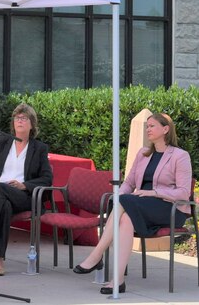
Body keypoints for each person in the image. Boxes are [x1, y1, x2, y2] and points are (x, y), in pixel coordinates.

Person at [73, 113, 193, 294]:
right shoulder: (143, 154)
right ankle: (118, 281)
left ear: (166, 129)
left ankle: (97, 255)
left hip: (169, 208)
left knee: (125, 202)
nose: (148, 129)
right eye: (147, 126)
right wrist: (118, 196)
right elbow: (129, 183)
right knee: (125, 218)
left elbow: (184, 192)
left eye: (152, 126)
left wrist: (153, 192)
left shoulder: (180, 156)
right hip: (139, 206)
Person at [0, 103, 52, 276]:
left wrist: (24, 185)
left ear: (32, 124)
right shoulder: (2, 143)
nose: (20, 121)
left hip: (24, 196)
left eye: (24, 118)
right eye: (17, 118)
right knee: (4, 205)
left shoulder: (39, 148)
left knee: (1, 191)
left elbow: (47, 178)